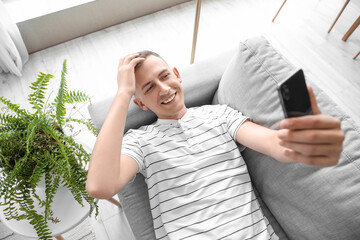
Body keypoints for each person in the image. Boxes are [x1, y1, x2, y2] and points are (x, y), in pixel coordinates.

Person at [86, 51, 344, 239]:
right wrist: (122, 94)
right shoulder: (140, 141)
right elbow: (100, 186)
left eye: (165, 76)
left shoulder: (220, 115)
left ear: (177, 75)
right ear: (140, 103)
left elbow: (276, 146)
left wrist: (301, 139)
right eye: (149, 88)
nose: (164, 89)